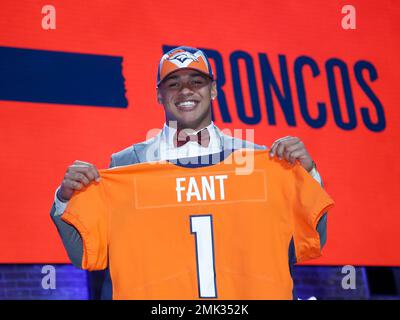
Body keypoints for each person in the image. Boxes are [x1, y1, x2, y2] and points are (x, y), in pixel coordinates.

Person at [50, 46, 327, 299]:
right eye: (173, 84)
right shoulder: (127, 164)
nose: (185, 91)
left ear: (213, 90)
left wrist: (308, 175)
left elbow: (305, 242)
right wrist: (65, 198)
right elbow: (84, 254)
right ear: (159, 95)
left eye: (197, 82)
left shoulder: (257, 161)